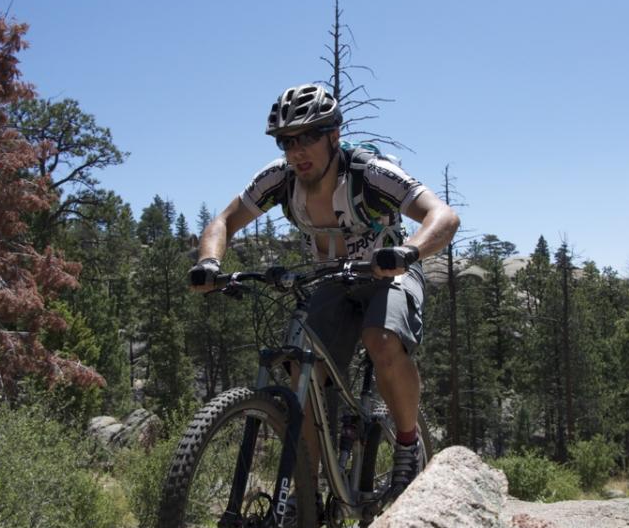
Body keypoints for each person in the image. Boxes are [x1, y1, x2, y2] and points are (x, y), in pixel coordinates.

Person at [189, 83, 460, 499]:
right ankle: (309, 488)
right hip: (331, 279)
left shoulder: (369, 173)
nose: (297, 151)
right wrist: (209, 263)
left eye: (308, 137)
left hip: (389, 274)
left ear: (334, 135)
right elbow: (223, 220)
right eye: (287, 141)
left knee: (382, 339)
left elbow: (443, 216)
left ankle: (407, 445)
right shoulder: (279, 179)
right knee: (302, 365)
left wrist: (407, 252)